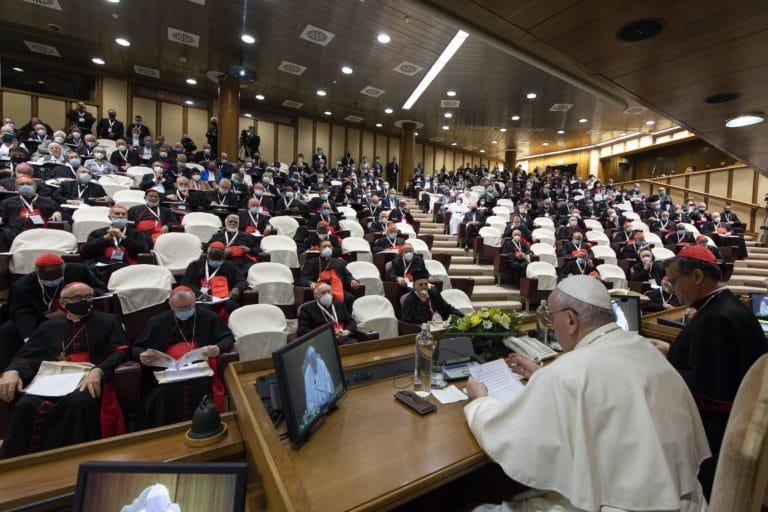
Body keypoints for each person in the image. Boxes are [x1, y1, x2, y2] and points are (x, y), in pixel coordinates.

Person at [465, 275, 710, 511]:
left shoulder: (565, 372)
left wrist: (480, 401)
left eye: (552, 318)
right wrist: (541, 374)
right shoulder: (645, 349)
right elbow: (607, 389)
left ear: (571, 320)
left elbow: (509, 438)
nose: (552, 326)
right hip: (686, 499)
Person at [657, 245, 768, 498]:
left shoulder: (716, 319)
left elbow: (709, 393)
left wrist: (660, 367)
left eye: (674, 281)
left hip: (716, 442)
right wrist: (671, 352)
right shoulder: (724, 307)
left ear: (697, 276)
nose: (671, 289)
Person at [0, 282, 128, 458]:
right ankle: (19, 462)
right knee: (25, 405)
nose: (84, 301)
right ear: (62, 302)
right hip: (51, 378)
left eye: (88, 297)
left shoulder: (108, 321)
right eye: (77, 298)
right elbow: (28, 357)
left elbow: (120, 351)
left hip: (86, 378)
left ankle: (74, 458)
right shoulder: (49, 327)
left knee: (78, 402)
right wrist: (13, 371)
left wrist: (98, 370)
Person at [132, 286, 235, 427]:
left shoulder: (209, 317)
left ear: (194, 302)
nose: (184, 311)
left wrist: (218, 348)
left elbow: (228, 338)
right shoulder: (159, 321)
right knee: (162, 394)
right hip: (167, 374)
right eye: (179, 308)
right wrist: (141, 355)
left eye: (188, 307)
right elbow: (135, 347)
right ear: (171, 305)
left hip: (201, 372)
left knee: (201, 388)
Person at [0, 253, 105, 370]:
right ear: (36, 272)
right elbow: (22, 312)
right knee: (7, 330)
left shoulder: (77, 271)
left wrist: (79, 300)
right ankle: (9, 369)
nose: (52, 280)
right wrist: (29, 338)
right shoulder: (23, 286)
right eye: (47, 278)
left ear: (63, 268)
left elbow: (100, 289)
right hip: (40, 320)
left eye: (56, 277)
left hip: (78, 313)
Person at [180, 242, 247, 316]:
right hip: (201, 298)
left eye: (218, 260)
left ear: (224, 256)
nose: (215, 262)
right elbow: (187, 284)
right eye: (213, 259)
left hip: (224, 298)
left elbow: (242, 281)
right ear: (207, 255)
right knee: (204, 307)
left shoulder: (230, 266)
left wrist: (237, 289)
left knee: (232, 305)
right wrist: (200, 295)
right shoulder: (195, 265)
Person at [82, 205, 149, 278]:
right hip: (101, 262)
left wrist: (123, 237)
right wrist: (105, 238)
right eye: (117, 213)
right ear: (109, 217)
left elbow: (143, 250)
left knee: (116, 267)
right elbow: (86, 250)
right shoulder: (97, 232)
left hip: (125, 263)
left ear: (127, 217)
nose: (120, 216)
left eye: (123, 214)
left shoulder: (136, 233)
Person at [298, 240, 360, 305]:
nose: (327, 248)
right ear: (319, 249)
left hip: (337, 289)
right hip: (320, 290)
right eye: (324, 247)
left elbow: (347, 275)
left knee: (349, 298)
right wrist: (311, 283)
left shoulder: (339, 262)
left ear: (332, 248)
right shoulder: (312, 262)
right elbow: (303, 279)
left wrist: (352, 281)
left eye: (329, 246)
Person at [303, 345, 335, 414]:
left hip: (327, 399)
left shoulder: (321, 363)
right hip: (317, 405)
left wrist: (329, 393)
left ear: (315, 355)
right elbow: (309, 395)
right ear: (309, 360)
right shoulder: (307, 374)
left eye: (313, 356)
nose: (313, 359)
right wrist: (314, 409)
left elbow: (328, 379)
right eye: (311, 358)